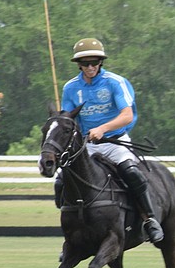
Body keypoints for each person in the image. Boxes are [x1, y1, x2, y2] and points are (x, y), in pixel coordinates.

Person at [55, 37, 164, 244]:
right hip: (88, 146)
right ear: (78, 64)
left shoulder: (115, 82)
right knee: (62, 180)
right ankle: (71, 233)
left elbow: (127, 115)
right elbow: (68, 119)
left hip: (115, 142)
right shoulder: (70, 88)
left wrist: (103, 129)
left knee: (133, 174)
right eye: (85, 63)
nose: (90, 67)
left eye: (94, 62)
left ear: (101, 62)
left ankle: (150, 220)